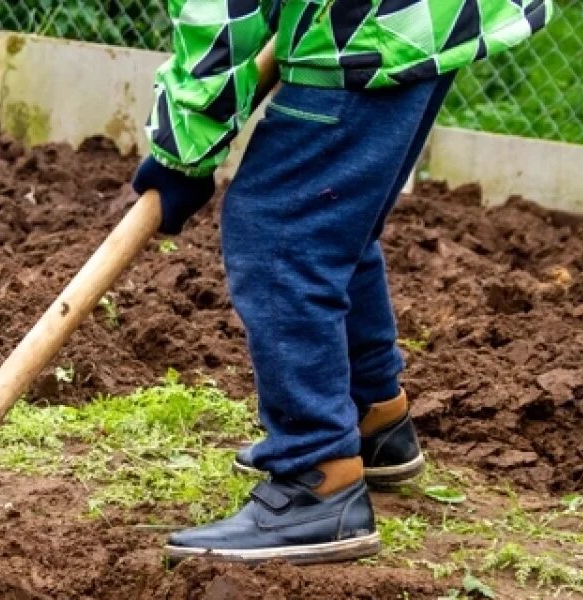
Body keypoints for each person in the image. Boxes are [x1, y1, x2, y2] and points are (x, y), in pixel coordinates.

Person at [133, 0, 552, 564]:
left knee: (282, 231)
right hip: (422, 18)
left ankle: (318, 479)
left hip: (369, 22)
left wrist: (181, 152)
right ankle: (372, 417)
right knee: (328, 222)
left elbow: (222, 12)